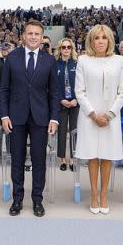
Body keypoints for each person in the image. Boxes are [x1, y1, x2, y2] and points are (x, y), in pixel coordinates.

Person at [0, 19, 60, 217]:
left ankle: (37, 200)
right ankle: (17, 200)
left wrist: (54, 118)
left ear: (42, 38)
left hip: (40, 117)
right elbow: (4, 89)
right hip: (15, 117)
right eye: (30, 33)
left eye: (37, 34)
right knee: (16, 159)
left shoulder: (49, 60)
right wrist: (4, 115)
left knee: (39, 160)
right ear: (23, 36)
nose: (33, 37)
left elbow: (54, 93)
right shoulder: (12, 58)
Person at [75, 24, 123, 214]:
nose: (100, 41)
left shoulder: (119, 61)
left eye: (104, 38)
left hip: (110, 117)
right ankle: (94, 194)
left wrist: (109, 115)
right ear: (91, 40)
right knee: (93, 156)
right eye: (97, 38)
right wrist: (94, 115)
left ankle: (104, 195)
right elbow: (79, 91)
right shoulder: (83, 60)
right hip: (90, 117)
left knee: (106, 156)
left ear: (110, 40)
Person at [54, 38, 78, 171]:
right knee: (62, 131)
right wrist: (60, 99)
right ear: (60, 49)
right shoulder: (55, 64)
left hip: (75, 103)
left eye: (69, 47)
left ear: (72, 49)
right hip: (61, 103)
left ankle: (73, 160)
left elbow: (82, 84)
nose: (66, 50)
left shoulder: (77, 64)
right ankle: (63, 160)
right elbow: (52, 86)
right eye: (64, 47)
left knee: (74, 131)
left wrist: (76, 100)